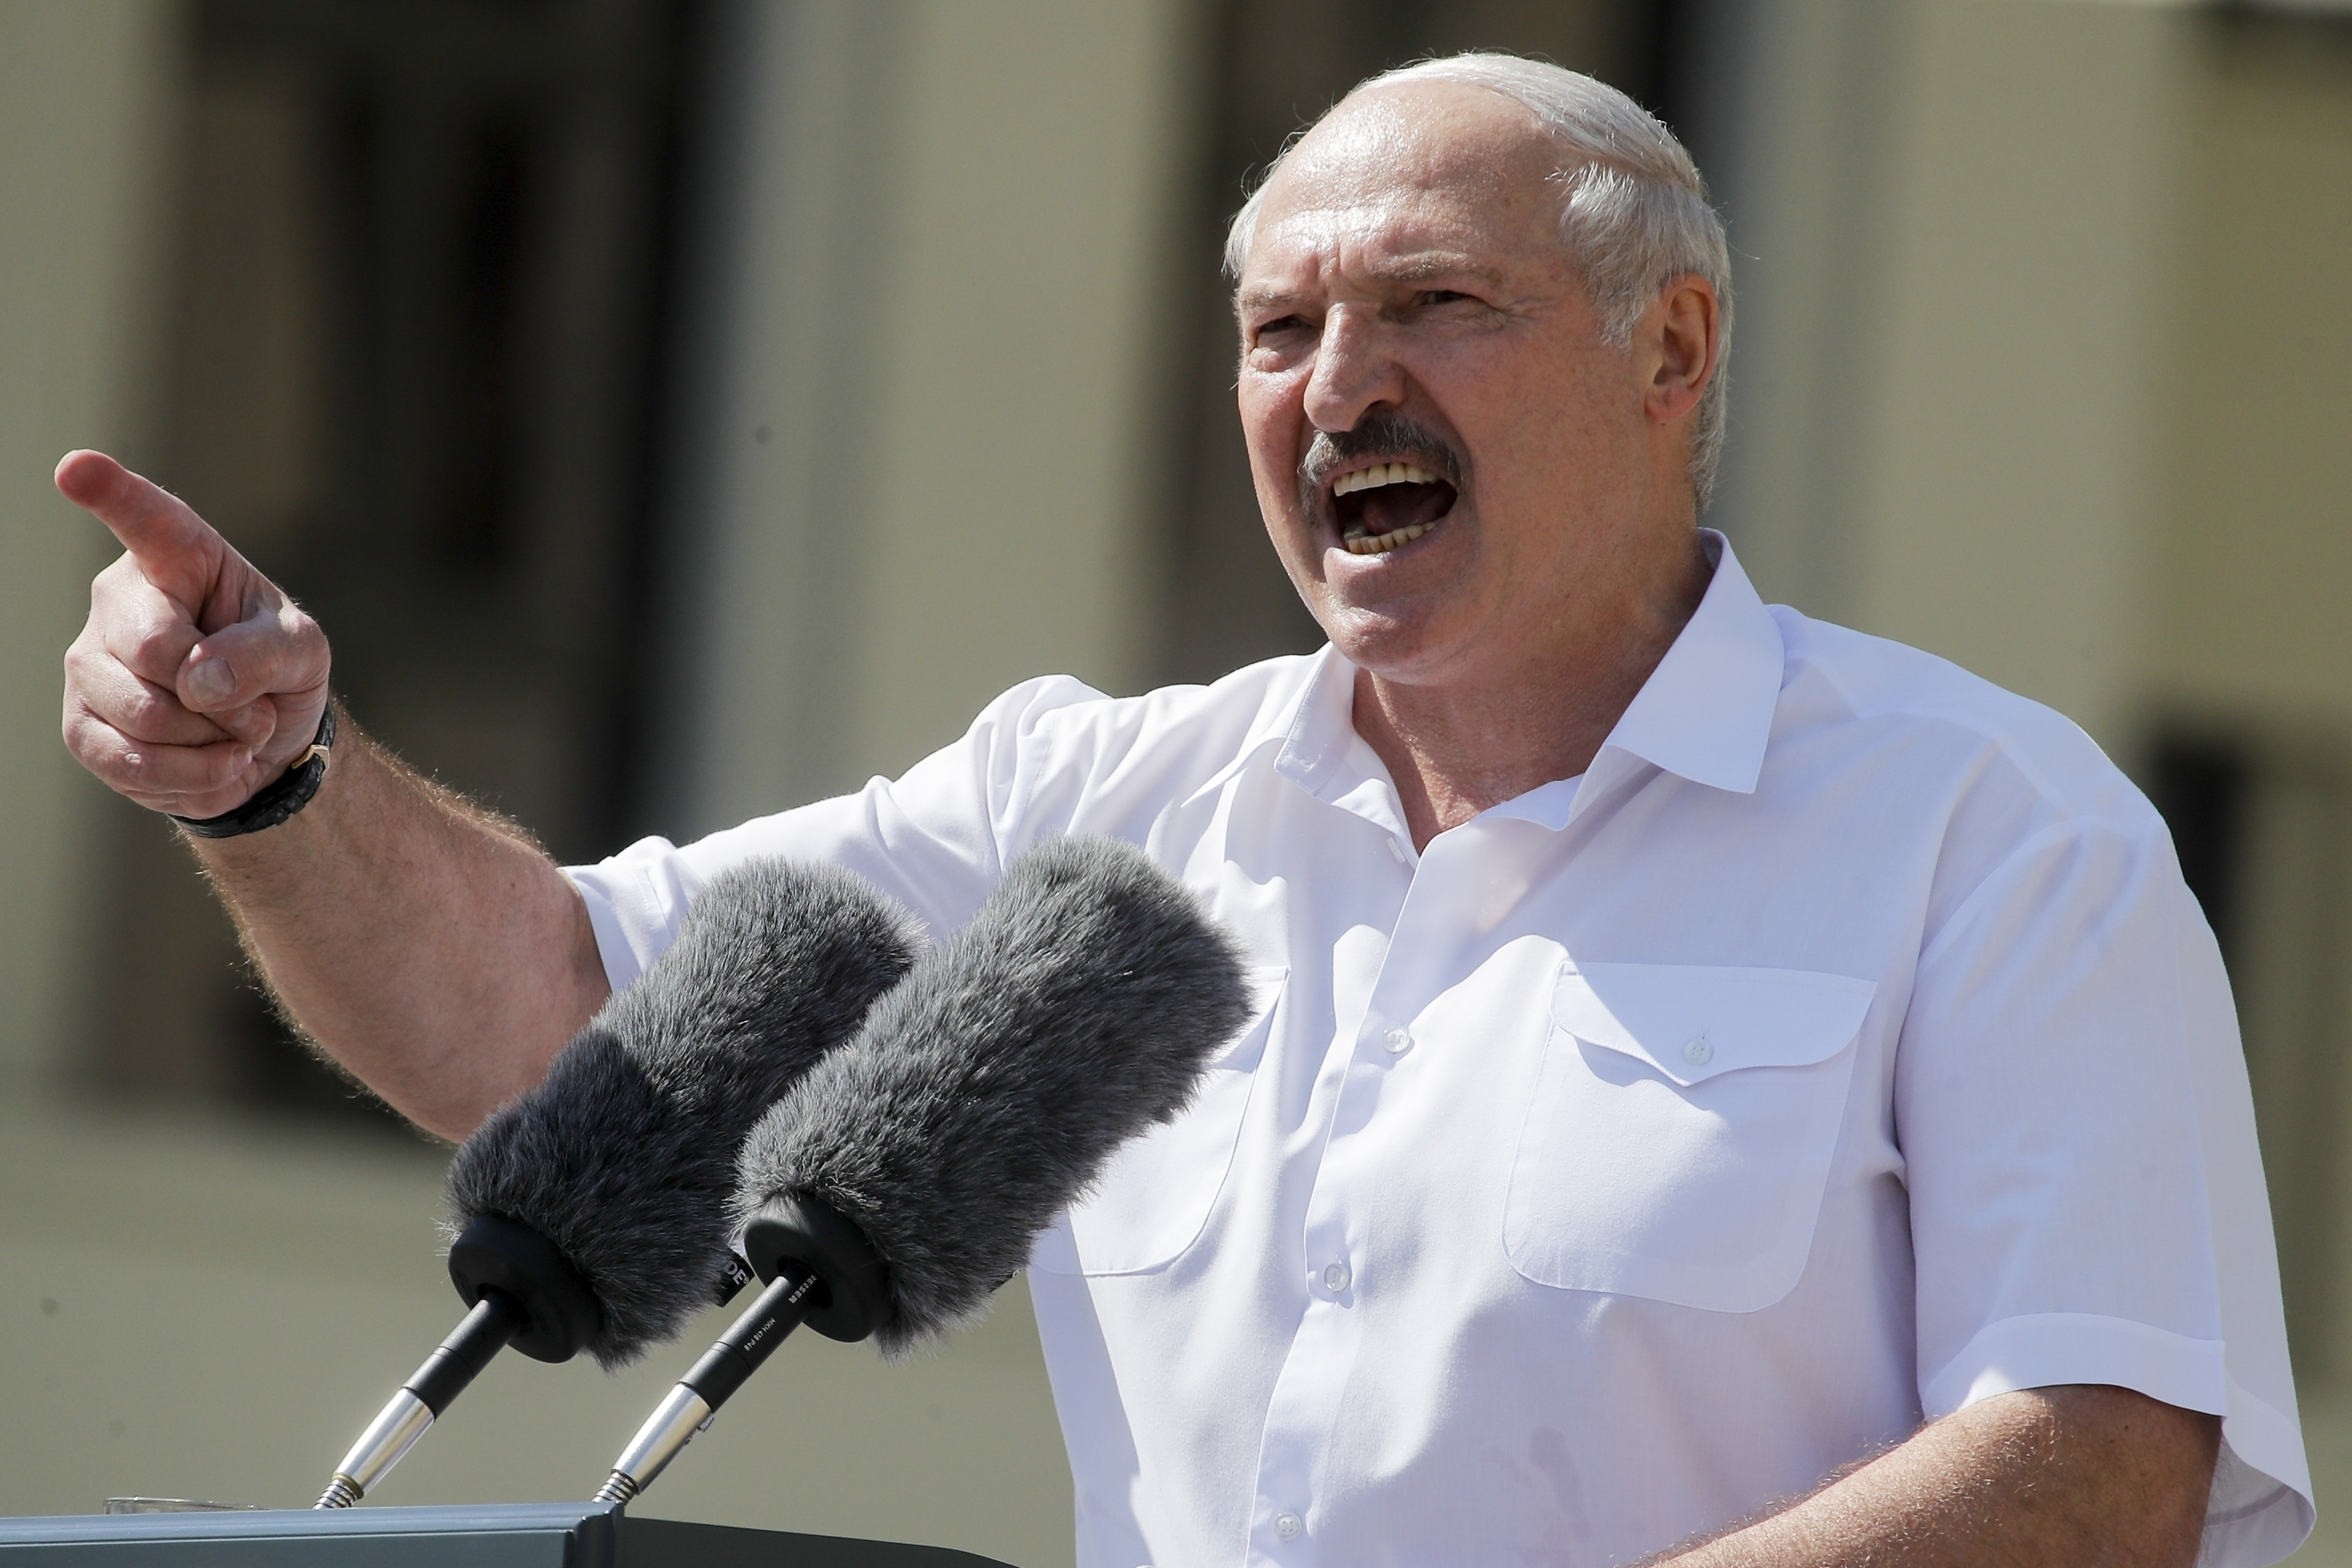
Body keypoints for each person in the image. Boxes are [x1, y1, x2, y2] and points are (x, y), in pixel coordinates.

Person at [56, 51, 2308, 1568]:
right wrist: (281, 786)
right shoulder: (1096, 811)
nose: (1342, 391)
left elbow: (2097, 1466)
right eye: (1276, 331)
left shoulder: (1994, 833)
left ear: (1674, 353)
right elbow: (553, 1030)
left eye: (1439, 304)